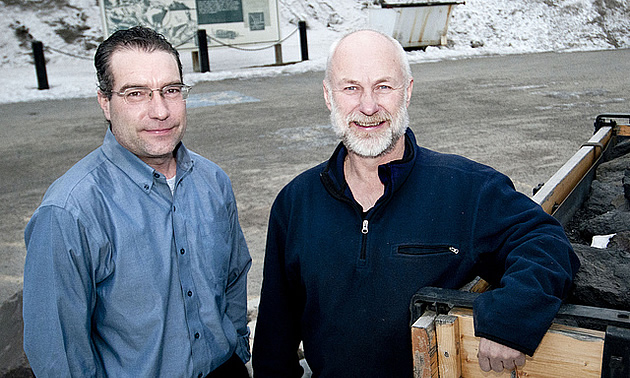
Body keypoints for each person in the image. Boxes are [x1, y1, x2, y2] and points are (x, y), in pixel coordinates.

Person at [252, 29, 580, 377]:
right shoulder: (295, 203)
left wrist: (513, 315)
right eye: (351, 88)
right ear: (328, 96)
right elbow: (275, 340)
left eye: (383, 86)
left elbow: (545, 242)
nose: (368, 106)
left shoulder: (465, 188)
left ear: (407, 91)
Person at [22, 26, 251, 378]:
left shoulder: (213, 181)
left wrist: (235, 346)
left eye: (170, 90)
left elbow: (235, 276)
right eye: (136, 93)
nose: (160, 110)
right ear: (105, 102)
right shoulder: (70, 212)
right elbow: (58, 353)